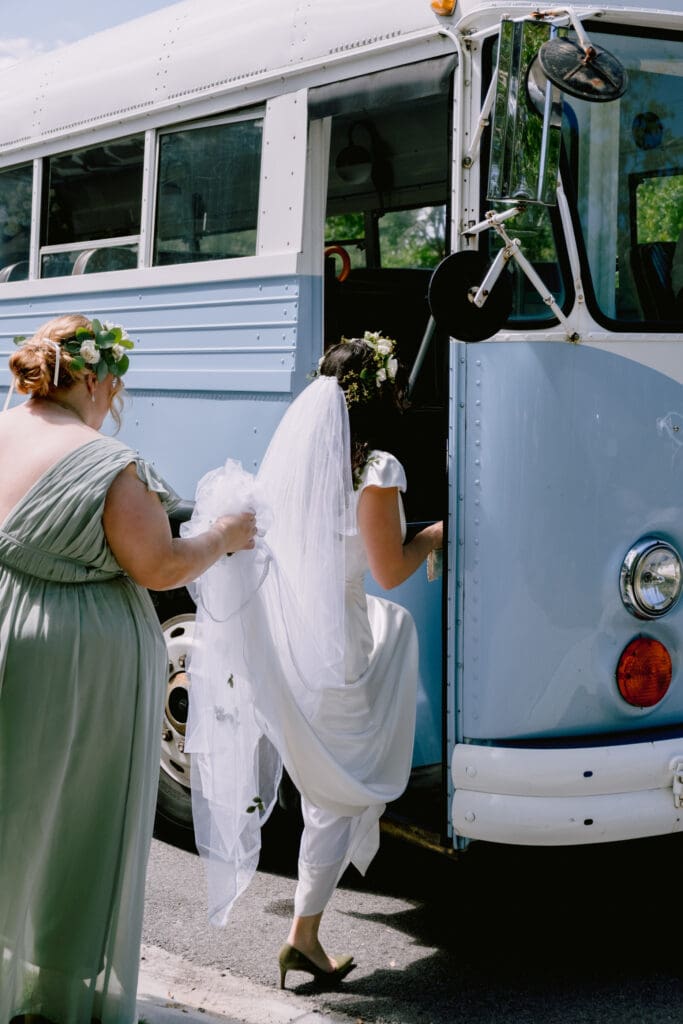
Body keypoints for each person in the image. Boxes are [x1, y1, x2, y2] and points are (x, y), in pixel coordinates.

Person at [0, 314, 256, 1024]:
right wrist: (224, 536)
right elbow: (158, 565)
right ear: (89, 376)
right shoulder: (111, 463)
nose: (116, 397)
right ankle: (54, 993)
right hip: (77, 662)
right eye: (115, 382)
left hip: (5, 629)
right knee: (79, 821)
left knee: (10, 806)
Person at [184, 331, 443, 990]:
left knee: (333, 783)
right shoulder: (376, 469)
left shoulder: (304, 463)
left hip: (297, 637)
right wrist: (443, 532)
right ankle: (302, 935)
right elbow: (388, 567)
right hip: (340, 644)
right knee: (338, 792)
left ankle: (309, 926)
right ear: (379, 393)